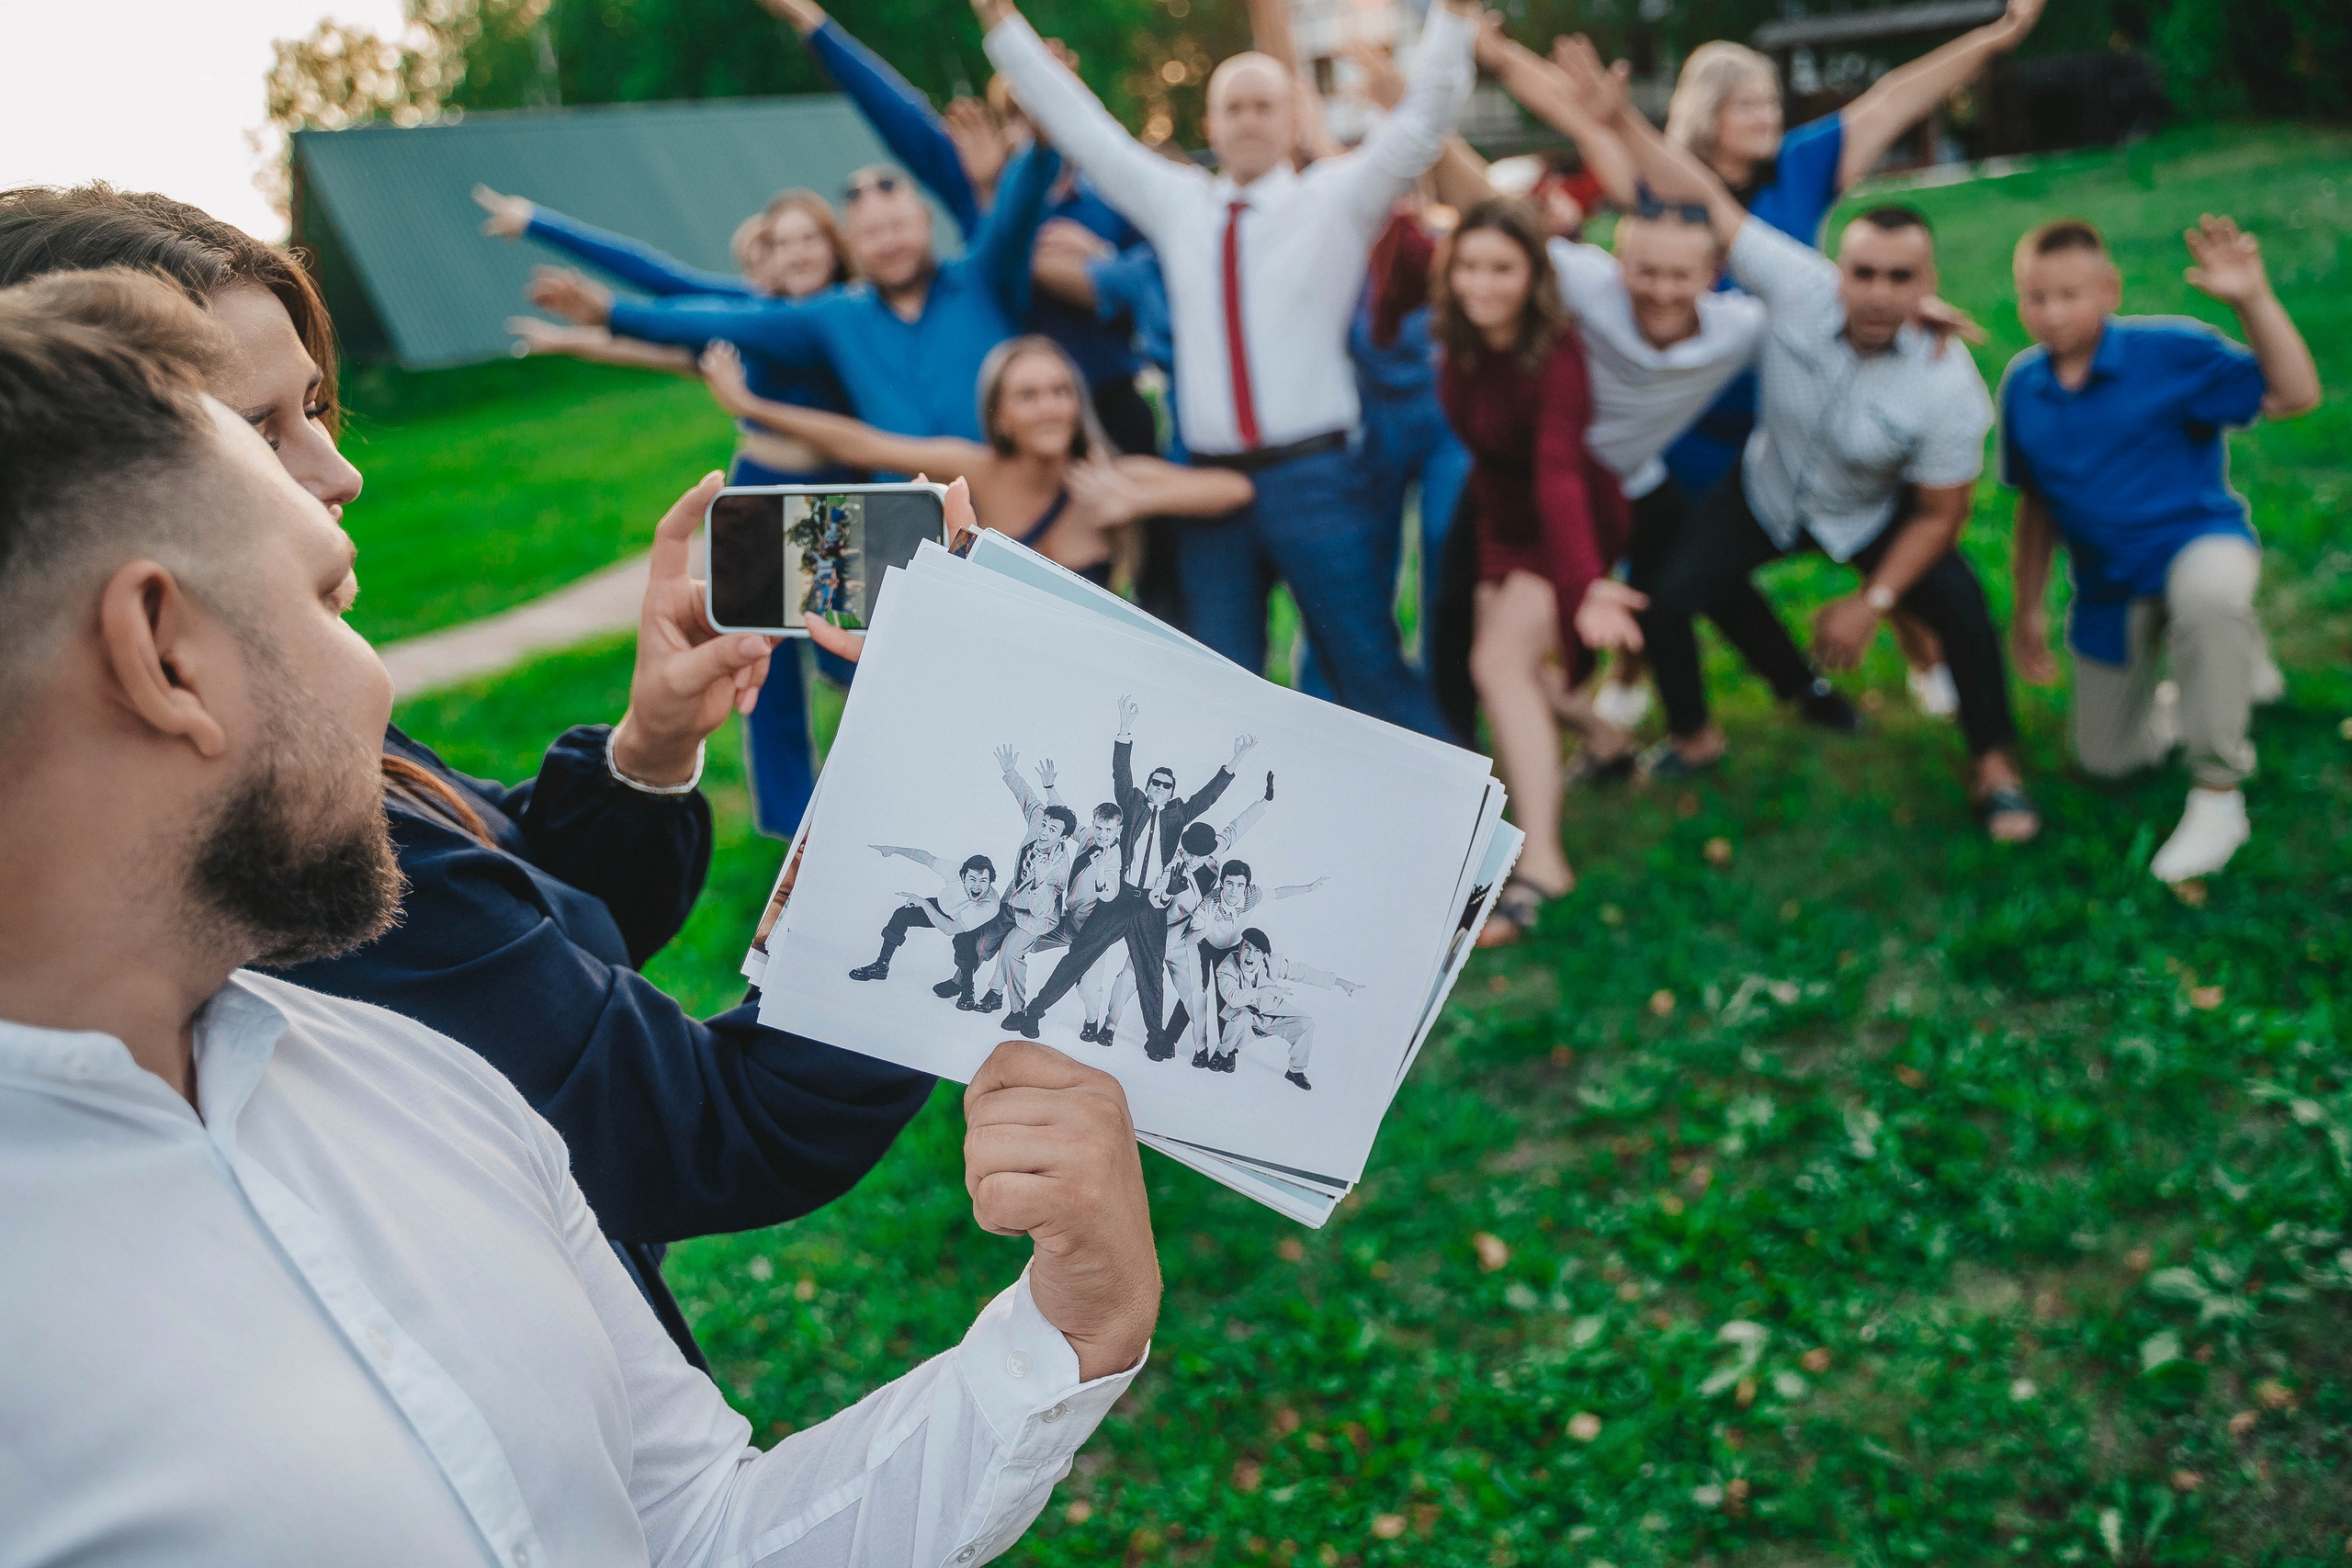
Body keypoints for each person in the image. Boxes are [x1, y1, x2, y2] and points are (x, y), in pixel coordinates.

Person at [0, 267, 1159, 1565]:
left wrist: (1070, 1325)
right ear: (164, 653)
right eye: (327, 604)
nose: (384, 693)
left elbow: (702, 1527)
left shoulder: (426, 1085)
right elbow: (712, 1120)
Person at [0, 183, 936, 1366]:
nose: (338, 472)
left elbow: (533, 934)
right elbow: (709, 1128)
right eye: (261, 432)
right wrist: (942, 790)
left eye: (319, 406)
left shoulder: (293, 735)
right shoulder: (269, 831)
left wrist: (648, 750)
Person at [978, 0, 1481, 739]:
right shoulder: (1180, 205)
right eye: (1233, 107)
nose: (1248, 119)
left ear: (1291, 117)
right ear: (1211, 125)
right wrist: (1001, 28)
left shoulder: (1334, 199)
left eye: (1264, 105)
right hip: (1207, 486)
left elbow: (1419, 125)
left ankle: (1456, 835)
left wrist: (1457, 23)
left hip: (1317, 480)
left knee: (1368, 669)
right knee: (1219, 682)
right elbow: (1086, 129)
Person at [1605, 90, 2041, 841]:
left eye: (1900, 279)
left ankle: (1994, 765)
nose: (1877, 293)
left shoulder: (1948, 388)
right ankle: (1694, 735)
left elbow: (1941, 516)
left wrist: (1872, 602)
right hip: (1764, 493)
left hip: (1867, 510)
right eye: (1863, 273)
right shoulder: (1796, 284)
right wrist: (1618, 120)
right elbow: (1704, 195)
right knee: (1667, 597)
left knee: (1962, 609)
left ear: (1928, 284)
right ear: (1837, 269)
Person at [1655, 0, 2046, 719]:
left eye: (1773, 98)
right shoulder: (1664, 189)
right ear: (1706, 112)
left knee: (1878, 524)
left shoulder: (1801, 165)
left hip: (1821, 389)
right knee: (1679, 568)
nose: (1768, 114)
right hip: (1709, 421)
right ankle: (1771, 688)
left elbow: (1896, 98)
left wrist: (1998, 36)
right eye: (1748, 102)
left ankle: (1926, 655)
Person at [478, 184, 861, 842]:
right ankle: (794, 829)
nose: (797, 252)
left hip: (830, 501)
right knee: (760, 668)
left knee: (849, 660)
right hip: (760, 493)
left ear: (834, 246)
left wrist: (602, 316)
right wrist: (539, 220)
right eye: (783, 241)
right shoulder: (753, 307)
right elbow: (658, 275)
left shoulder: (846, 315)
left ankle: (883, 793)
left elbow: (663, 315)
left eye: (810, 237)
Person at [2002, 215, 2320, 882]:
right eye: (2036, 296)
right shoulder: (2023, 387)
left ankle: (2218, 794)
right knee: (2108, 759)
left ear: (2110, 289)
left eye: (2070, 294)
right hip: (2108, 586)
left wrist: (2251, 299)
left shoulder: (2172, 351)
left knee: (2208, 598)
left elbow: (2295, 394)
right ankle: (2227, 674)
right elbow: (2036, 510)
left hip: (2197, 543)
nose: (2052, 312)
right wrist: (2026, 610)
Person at [1374, 197, 1633, 936]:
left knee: (1496, 664)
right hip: (1500, 519)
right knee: (1513, 669)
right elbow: (1396, 247)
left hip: (1567, 523)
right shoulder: (1461, 336)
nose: (1483, 284)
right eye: (1470, 268)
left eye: (1503, 269)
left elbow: (1557, 471)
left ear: (1533, 275)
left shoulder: (1555, 353)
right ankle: (1608, 739)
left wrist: (1583, 585)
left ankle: (1544, 862)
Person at [547, 143, 1060, 447]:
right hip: (906, 525)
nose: (890, 243)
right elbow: (718, 319)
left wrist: (1038, 138)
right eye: (873, 233)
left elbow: (1017, 208)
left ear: (925, 223)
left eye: (899, 225)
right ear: (853, 244)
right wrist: (611, 313)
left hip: (1010, 505)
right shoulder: (835, 316)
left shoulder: (982, 279)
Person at [698, 333, 1252, 586]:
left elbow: (1233, 490)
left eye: (1061, 391)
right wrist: (749, 406)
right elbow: (863, 444)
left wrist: (1140, 497)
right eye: (1028, 396)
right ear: (1000, 415)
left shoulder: (1109, 475)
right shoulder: (976, 468)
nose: (1050, 408)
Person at [1001, 696, 1254, 1054]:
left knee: (1150, 972)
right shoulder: (1132, 802)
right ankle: (1033, 1013)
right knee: (1080, 954)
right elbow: (1121, 772)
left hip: (1151, 906)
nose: (1160, 788)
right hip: (1119, 897)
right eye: (1156, 782)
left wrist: (1235, 762)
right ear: (1149, 784)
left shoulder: (1178, 814)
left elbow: (1207, 797)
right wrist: (1124, 729)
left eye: (1166, 785)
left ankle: (1156, 1040)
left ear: (1172, 791)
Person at [1213, 930, 1364, 1092]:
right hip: (1244, 1015)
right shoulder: (1227, 967)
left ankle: (1295, 1071)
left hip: (1273, 1015)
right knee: (1239, 1021)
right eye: (1247, 948)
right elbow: (1233, 998)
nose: (1250, 955)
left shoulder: (1274, 962)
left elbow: (1304, 973)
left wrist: (1341, 983)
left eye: (1257, 951)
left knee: (1306, 1024)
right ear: (1240, 949)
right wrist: (1263, 990)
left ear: (1264, 955)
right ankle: (1223, 1054)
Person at [849, 845, 1002, 981]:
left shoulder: (990, 905)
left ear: (990, 881)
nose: (977, 886)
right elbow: (925, 858)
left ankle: (967, 988)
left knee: (964, 944)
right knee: (901, 915)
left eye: (983, 881)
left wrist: (922, 902)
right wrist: (894, 850)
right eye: (973, 879)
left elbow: (950, 929)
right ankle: (881, 967)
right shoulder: (956, 871)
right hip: (943, 907)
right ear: (962, 877)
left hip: (967, 921)